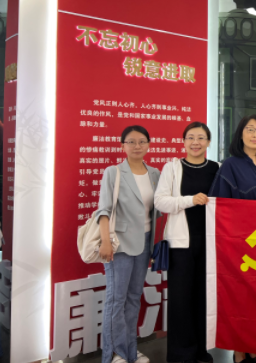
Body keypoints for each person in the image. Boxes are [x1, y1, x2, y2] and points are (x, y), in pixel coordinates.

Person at [209, 114, 256, 363]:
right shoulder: (230, 165)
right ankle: (239, 351)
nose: (255, 135)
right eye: (250, 129)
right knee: (240, 297)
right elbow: (220, 205)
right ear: (240, 134)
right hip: (240, 243)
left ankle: (255, 348)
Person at [154, 121, 219, 363]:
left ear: (208, 142)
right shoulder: (172, 168)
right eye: (190, 137)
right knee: (181, 301)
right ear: (183, 141)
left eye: (201, 138)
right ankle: (181, 355)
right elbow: (160, 201)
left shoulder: (218, 168)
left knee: (205, 299)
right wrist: (190, 200)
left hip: (211, 244)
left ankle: (202, 351)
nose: (195, 142)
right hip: (181, 244)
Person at [96, 126, 161, 363]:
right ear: (122, 145)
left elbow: (158, 209)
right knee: (117, 299)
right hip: (119, 244)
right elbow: (103, 210)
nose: (137, 146)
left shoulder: (155, 174)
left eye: (142, 141)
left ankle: (130, 352)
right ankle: (114, 353)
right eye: (131, 142)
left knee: (134, 297)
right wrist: (105, 241)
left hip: (145, 243)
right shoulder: (113, 172)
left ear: (149, 145)